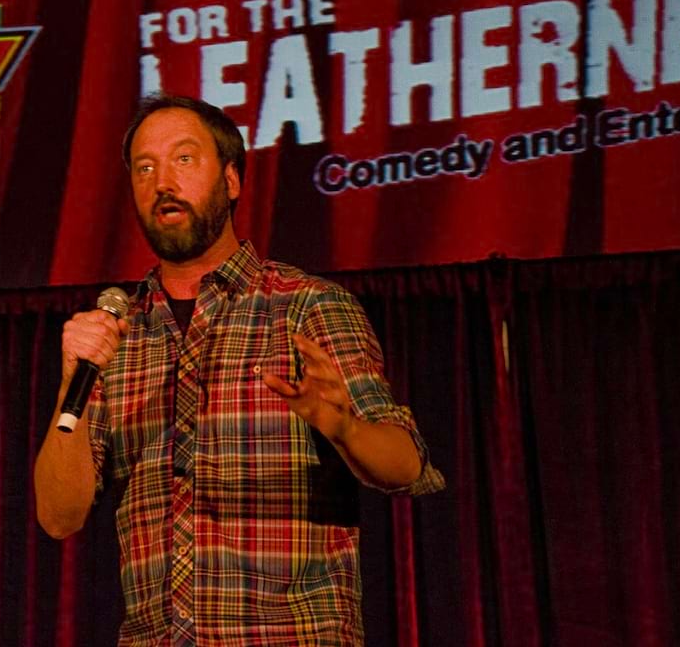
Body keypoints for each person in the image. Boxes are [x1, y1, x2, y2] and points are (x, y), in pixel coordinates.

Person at [33, 94, 444, 646]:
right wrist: (70, 381)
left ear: (231, 180)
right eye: (144, 167)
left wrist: (344, 427)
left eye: (184, 159)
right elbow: (60, 516)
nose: (162, 182)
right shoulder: (116, 334)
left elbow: (407, 466)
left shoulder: (307, 306)